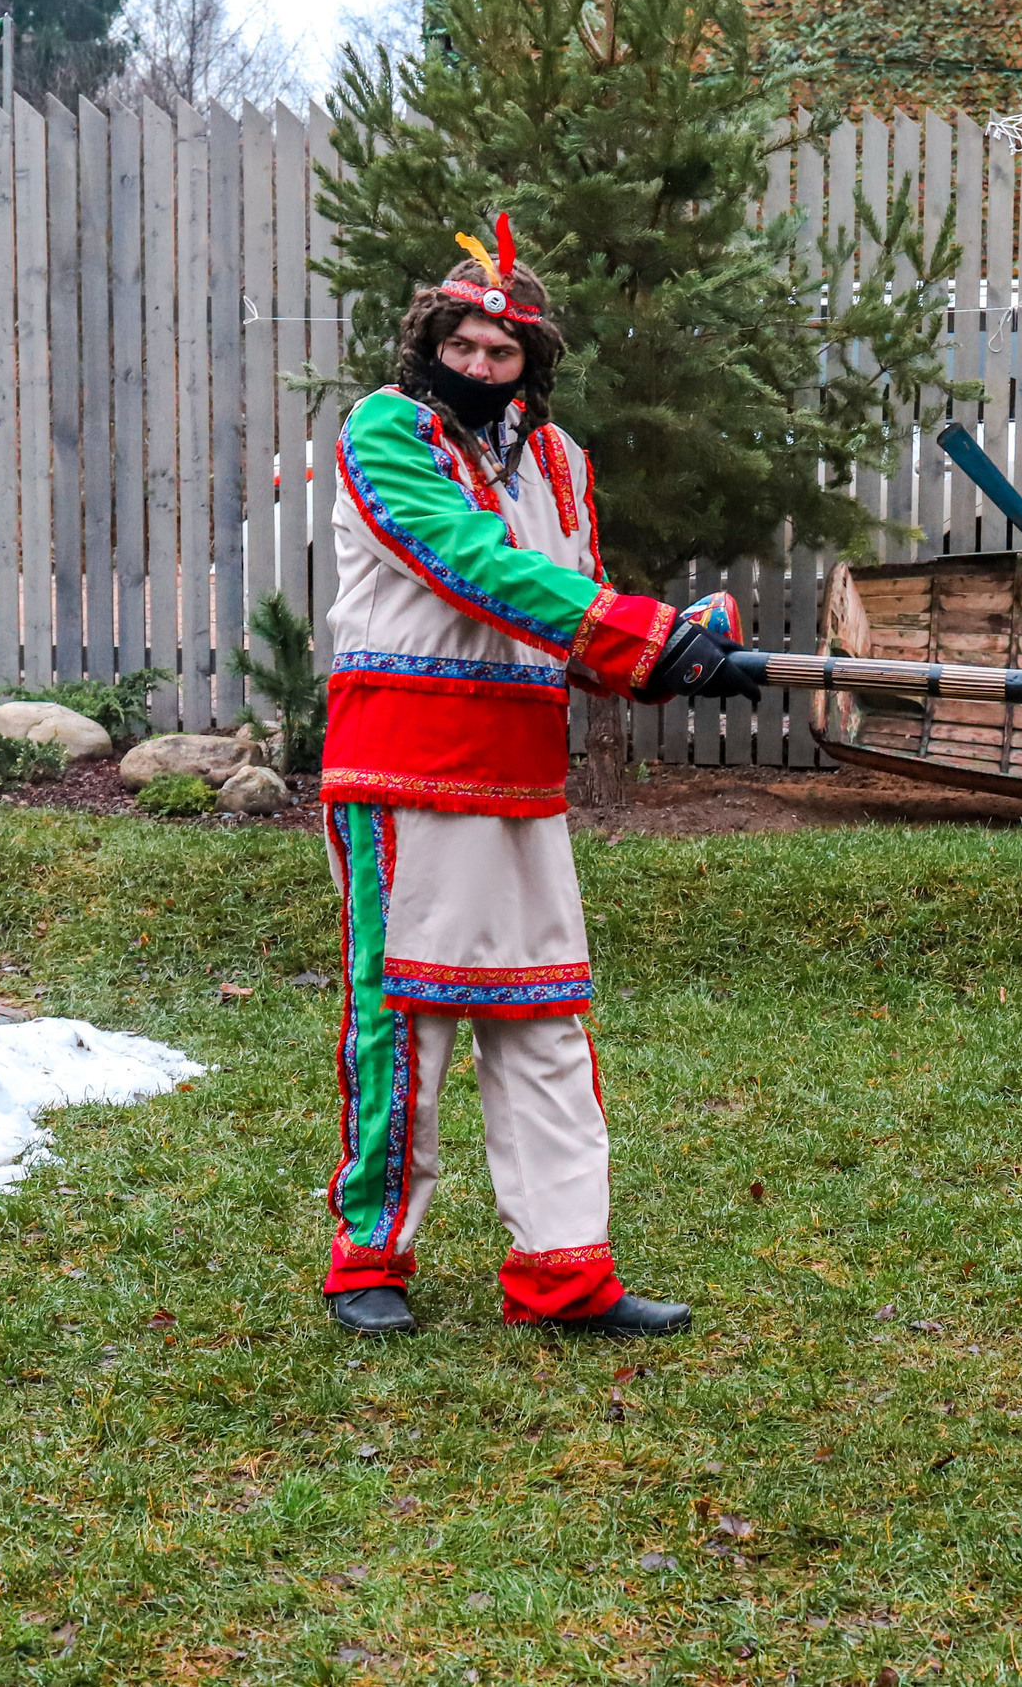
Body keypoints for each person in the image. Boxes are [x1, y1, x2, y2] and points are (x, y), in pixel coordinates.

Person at [317, 217, 756, 1339]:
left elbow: (572, 616)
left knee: (544, 1019)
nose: (475, 366)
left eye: (499, 353)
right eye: (460, 345)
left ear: (531, 362)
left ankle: (566, 1273)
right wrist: (636, 634)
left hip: (522, 775)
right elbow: (471, 564)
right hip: (405, 769)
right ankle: (370, 1260)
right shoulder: (383, 432)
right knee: (404, 1016)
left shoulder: (563, 464)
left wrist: (678, 663)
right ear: (429, 344)